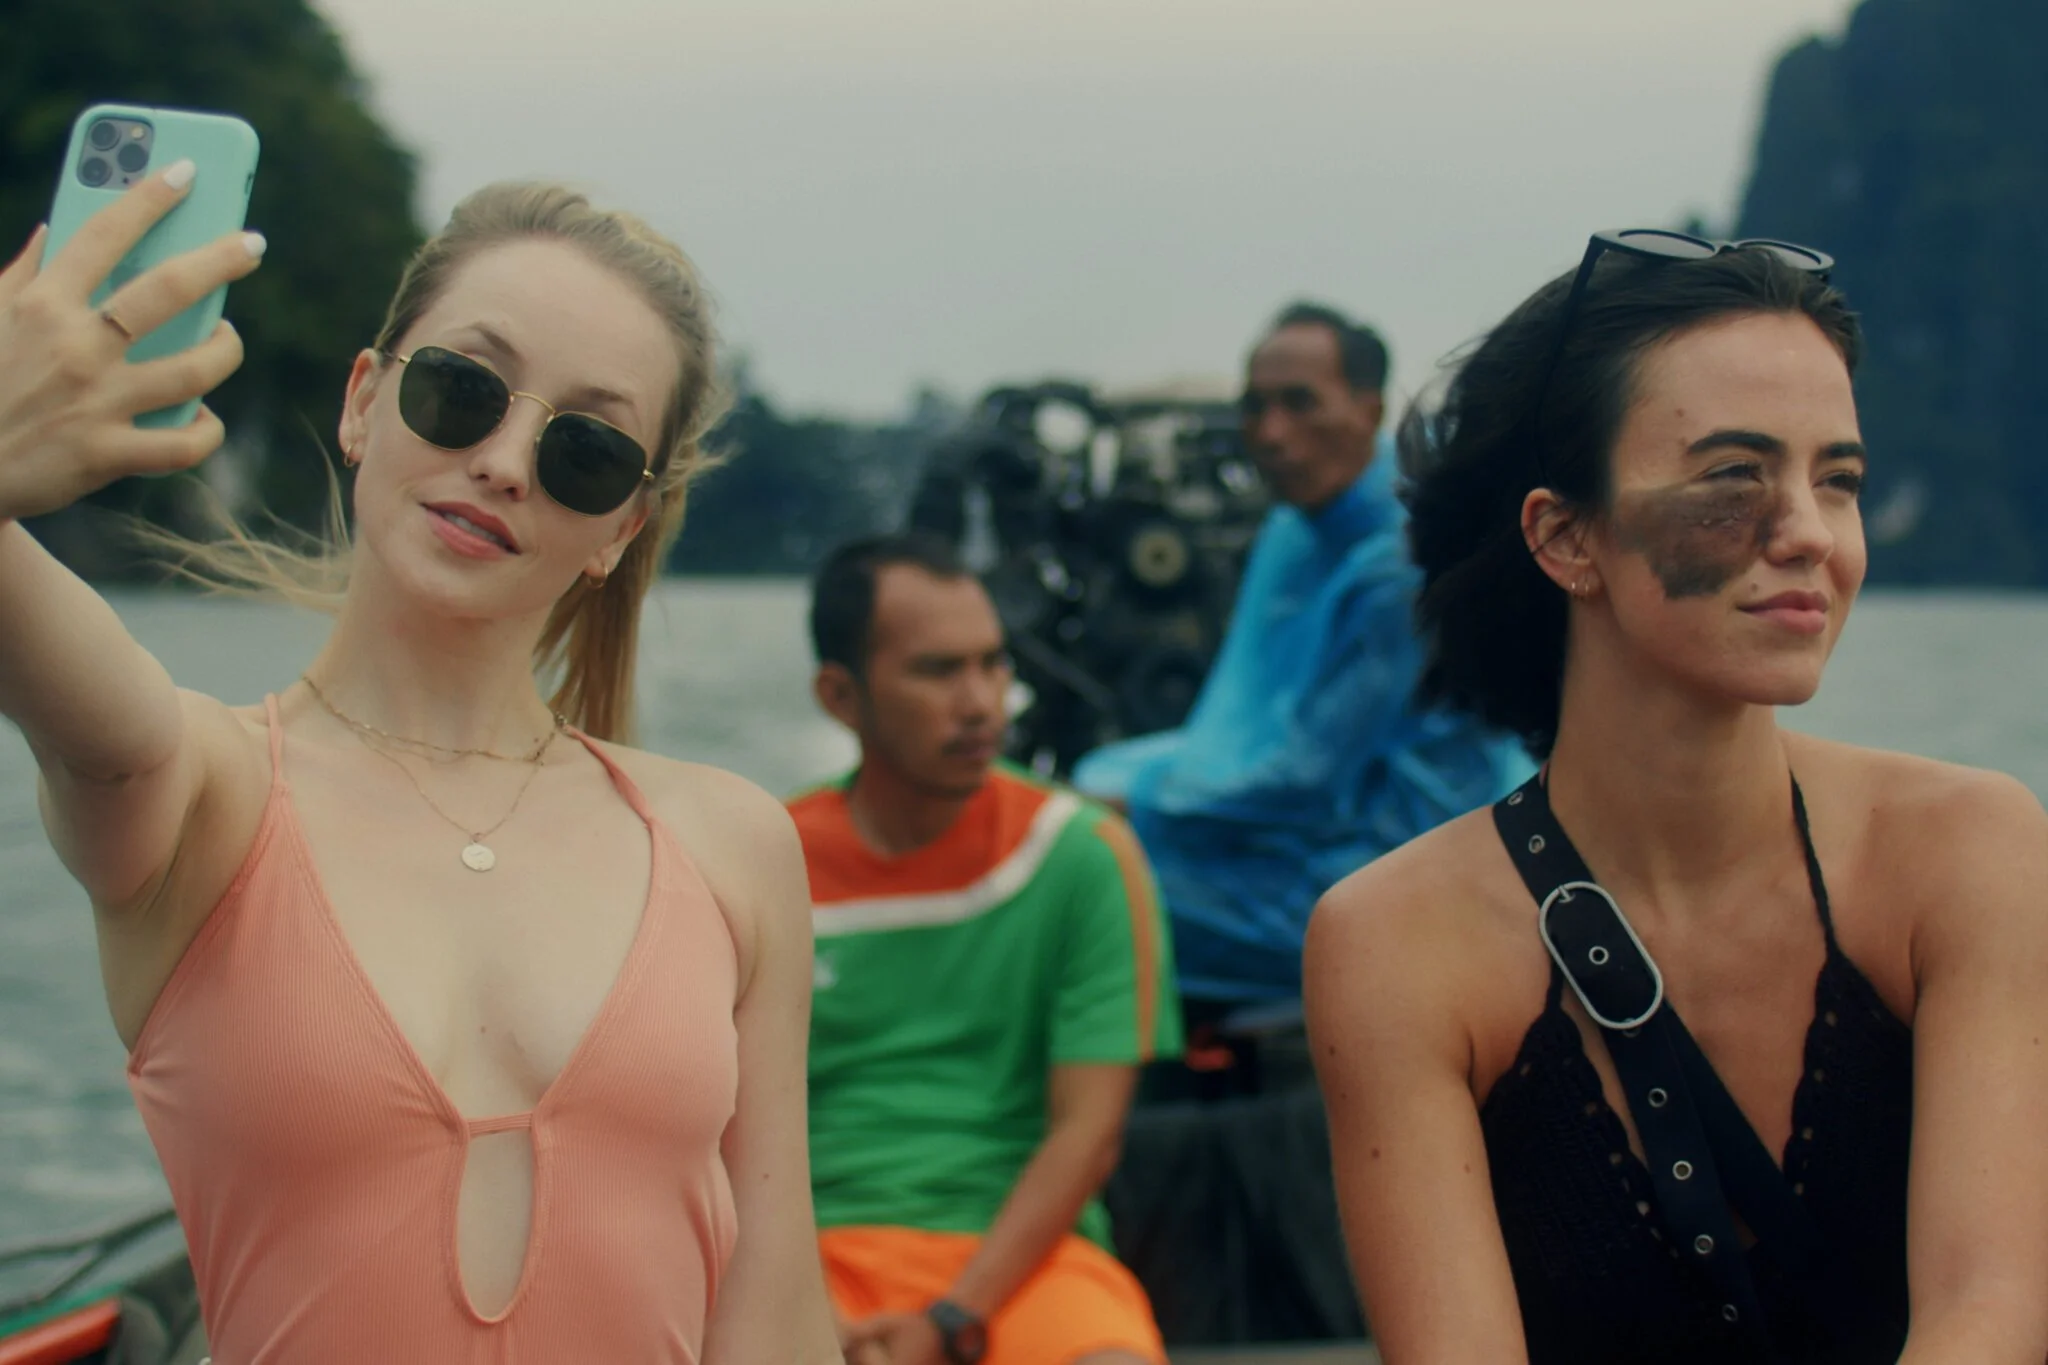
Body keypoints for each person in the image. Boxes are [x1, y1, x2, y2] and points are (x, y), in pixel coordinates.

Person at [0, 168, 840, 1363]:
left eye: (586, 451)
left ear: (621, 529)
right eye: (463, 390)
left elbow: (776, 1311)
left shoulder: (732, 847)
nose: (504, 462)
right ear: (362, 403)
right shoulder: (197, 794)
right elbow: (81, 698)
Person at [1304, 231, 2048, 1363]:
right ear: (1565, 536)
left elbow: (1988, 1309)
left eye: (1838, 480)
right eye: (1734, 476)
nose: (1809, 533)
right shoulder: (1397, 944)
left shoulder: (1964, 853)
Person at [789, 532, 1182, 1365]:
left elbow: (1088, 1134)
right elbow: (719, 1137)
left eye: (993, 664)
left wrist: (951, 1320)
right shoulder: (764, 862)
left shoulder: (1082, 854)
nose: (981, 703)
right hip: (800, 1257)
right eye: (938, 671)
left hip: (1023, 1260)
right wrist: (805, 1311)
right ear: (840, 695)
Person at [1072, 301, 1529, 1015]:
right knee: (1085, 806)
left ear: (1369, 408)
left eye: (1300, 403)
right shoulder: (1297, 528)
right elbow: (1244, 724)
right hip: (1308, 821)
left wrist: (1134, 801)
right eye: (1255, 408)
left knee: (1081, 889)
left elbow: (1306, 781)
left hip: (1390, 862)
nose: (1271, 434)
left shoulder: (1401, 564)